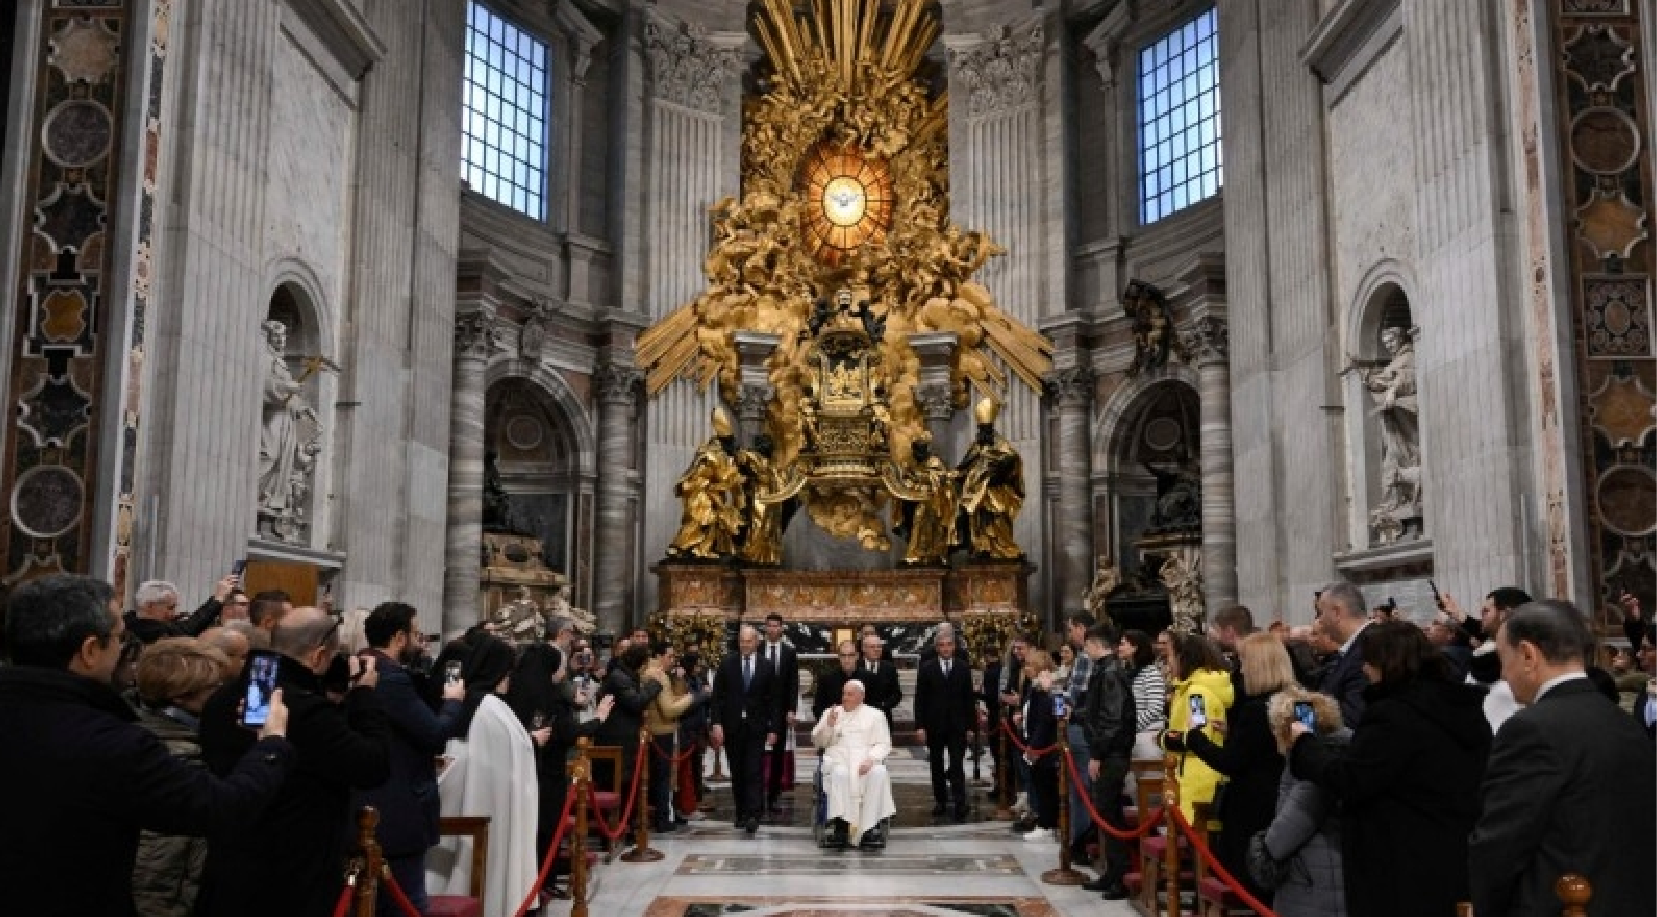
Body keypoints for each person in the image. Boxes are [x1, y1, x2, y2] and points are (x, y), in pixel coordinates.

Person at [0, 576, 294, 917]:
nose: (124, 649)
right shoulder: (110, 743)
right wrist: (271, 744)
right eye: (119, 638)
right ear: (90, 651)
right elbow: (219, 807)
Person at [1288, 621, 1491, 917]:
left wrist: (1304, 745)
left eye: (1368, 662)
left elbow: (1352, 779)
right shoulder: (1461, 706)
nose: (1364, 671)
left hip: (1400, 860)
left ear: (1386, 663)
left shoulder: (1394, 716)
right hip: (1453, 851)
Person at [196, 607, 389, 917]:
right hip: (292, 873)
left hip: (229, 864)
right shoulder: (305, 710)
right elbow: (373, 765)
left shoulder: (222, 699)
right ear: (319, 656)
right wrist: (364, 695)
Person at [1469, 600, 1657, 917]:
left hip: (1561, 903)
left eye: (1504, 658)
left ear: (1528, 655)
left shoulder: (1531, 730)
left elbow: (1499, 845)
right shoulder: (1621, 719)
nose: (1503, 673)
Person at [352, 603, 466, 917]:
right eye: (416, 634)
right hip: (396, 806)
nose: (421, 641)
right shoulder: (391, 679)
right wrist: (452, 703)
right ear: (400, 638)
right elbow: (434, 734)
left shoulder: (357, 666)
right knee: (406, 903)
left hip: (369, 800)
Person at [426, 634, 542, 917]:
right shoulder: (487, 708)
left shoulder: (475, 702)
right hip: (489, 807)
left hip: (480, 803)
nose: (509, 678)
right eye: (507, 671)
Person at [1185, 632, 1293, 906]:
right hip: (1287, 800)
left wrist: (1196, 737)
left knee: (1249, 885)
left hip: (1253, 806)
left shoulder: (1256, 710)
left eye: (1244, 661)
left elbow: (1230, 762)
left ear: (1258, 665)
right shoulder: (1300, 703)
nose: (1240, 669)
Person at [128, 638, 233, 917]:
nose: (222, 695)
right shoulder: (171, 757)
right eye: (214, 688)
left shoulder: (137, 731)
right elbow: (155, 870)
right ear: (179, 696)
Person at [1255, 688, 1349, 917]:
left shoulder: (1312, 769)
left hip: (1314, 885)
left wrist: (1261, 849)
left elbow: (1281, 839)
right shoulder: (1342, 753)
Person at [1078, 623, 1135, 900]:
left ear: (1096, 644)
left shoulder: (1110, 673)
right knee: (1105, 813)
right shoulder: (1106, 670)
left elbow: (1111, 719)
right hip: (1109, 751)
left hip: (1111, 754)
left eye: (1087, 644)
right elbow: (1096, 710)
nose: (1084, 649)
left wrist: (1098, 754)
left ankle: (1119, 877)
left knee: (1109, 813)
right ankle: (1112, 872)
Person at [711, 624, 780, 834]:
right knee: (738, 771)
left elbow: (773, 700)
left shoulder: (767, 666)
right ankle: (741, 812)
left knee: (753, 770)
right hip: (733, 726)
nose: (745, 645)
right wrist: (716, 723)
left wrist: (773, 728)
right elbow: (717, 697)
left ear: (756, 643)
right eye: (742, 641)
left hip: (756, 726)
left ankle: (753, 814)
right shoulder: (727, 664)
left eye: (749, 641)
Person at [811, 680, 897, 848]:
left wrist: (871, 759)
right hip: (839, 760)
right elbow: (819, 742)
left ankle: (868, 829)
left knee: (879, 773)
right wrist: (829, 725)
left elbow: (884, 743)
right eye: (844, 693)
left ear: (861, 696)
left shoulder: (876, 715)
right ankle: (841, 829)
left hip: (866, 760)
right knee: (840, 774)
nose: (845, 698)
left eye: (850, 694)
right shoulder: (831, 713)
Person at [1161, 632, 1234, 822]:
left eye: (1169, 656)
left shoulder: (1197, 695)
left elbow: (1198, 737)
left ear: (1183, 658)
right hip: (1190, 775)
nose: (1167, 663)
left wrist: (1163, 737)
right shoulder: (1187, 689)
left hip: (1197, 781)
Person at [594, 641, 662, 829]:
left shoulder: (625, 675)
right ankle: (613, 829)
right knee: (618, 785)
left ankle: (627, 826)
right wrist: (655, 684)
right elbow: (636, 702)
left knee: (629, 786)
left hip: (627, 741)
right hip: (616, 742)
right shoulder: (619, 678)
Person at [914, 626, 976, 821]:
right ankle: (940, 801)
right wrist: (920, 726)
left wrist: (971, 727)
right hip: (935, 725)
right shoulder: (927, 669)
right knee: (937, 765)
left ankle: (960, 802)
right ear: (937, 648)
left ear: (954, 647)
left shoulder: (963, 668)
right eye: (942, 645)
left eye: (949, 645)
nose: (946, 648)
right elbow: (920, 699)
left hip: (957, 725)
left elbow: (969, 700)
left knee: (957, 765)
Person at [643, 642, 696, 834]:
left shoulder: (660, 674)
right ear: (659, 656)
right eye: (670, 656)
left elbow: (673, 697)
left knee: (668, 777)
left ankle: (668, 813)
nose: (673, 661)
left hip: (663, 730)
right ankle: (663, 818)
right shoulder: (656, 675)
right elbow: (669, 709)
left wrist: (681, 684)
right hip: (660, 731)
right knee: (663, 778)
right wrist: (693, 698)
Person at [1017, 649, 1060, 842]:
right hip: (1034, 742)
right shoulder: (1033, 688)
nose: (1025, 669)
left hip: (1044, 747)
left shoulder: (1045, 691)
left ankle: (1047, 824)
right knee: (1039, 785)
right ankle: (1044, 821)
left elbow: (1045, 720)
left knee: (1045, 787)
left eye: (1029, 666)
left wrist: (1034, 747)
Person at [1314, 583, 1371, 727]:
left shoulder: (1367, 649)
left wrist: (1303, 715)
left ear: (1336, 613)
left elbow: (1353, 720)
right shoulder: (1354, 648)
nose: (1319, 620)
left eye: (1320, 613)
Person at [758, 613, 800, 810]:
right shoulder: (756, 649)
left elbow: (793, 683)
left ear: (781, 628)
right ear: (765, 628)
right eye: (770, 625)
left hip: (781, 710)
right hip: (758, 709)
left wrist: (791, 709)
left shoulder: (789, 652)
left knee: (777, 754)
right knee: (756, 753)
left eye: (776, 626)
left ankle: (773, 795)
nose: (773, 629)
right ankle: (756, 796)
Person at [125, 578, 233, 645]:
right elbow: (188, 629)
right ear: (149, 606)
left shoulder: (131, 620)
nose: (173, 614)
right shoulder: (143, 628)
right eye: (170, 608)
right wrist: (218, 598)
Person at [1119, 629, 1168, 760]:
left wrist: (1132, 726)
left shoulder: (1151, 673)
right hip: (1131, 736)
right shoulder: (1127, 673)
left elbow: (1156, 708)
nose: (1119, 648)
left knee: (1149, 779)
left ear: (1135, 647)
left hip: (1147, 736)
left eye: (1123, 644)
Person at [854, 632, 901, 727]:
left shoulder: (889, 668)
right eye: (872, 647)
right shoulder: (855, 667)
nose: (876, 649)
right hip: (858, 719)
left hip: (883, 719)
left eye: (879, 647)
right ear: (863, 648)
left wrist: (884, 705)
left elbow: (896, 694)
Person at [815, 639, 861, 720]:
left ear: (857, 656)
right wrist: (828, 717)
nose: (847, 660)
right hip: (834, 726)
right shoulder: (826, 680)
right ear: (839, 657)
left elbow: (874, 708)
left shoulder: (869, 678)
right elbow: (818, 709)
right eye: (843, 655)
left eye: (851, 655)